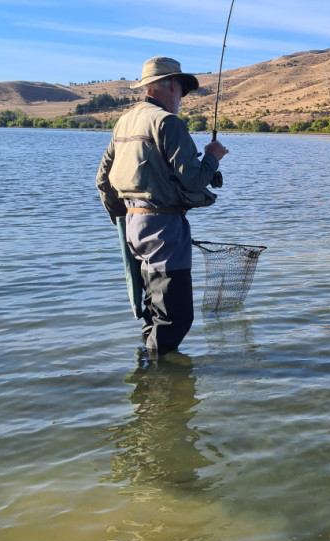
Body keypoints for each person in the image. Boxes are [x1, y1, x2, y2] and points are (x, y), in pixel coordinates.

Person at [96, 56, 228, 355]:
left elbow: (103, 181)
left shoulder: (124, 121)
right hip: (165, 231)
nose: (182, 96)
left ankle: (147, 376)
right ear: (171, 83)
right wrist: (212, 157)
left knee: (154, 314)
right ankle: (162, 387)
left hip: (132, 226)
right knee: (176, 319)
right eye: (182, 88)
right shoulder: (168, 122)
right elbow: (193, 181)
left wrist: (124, 222)